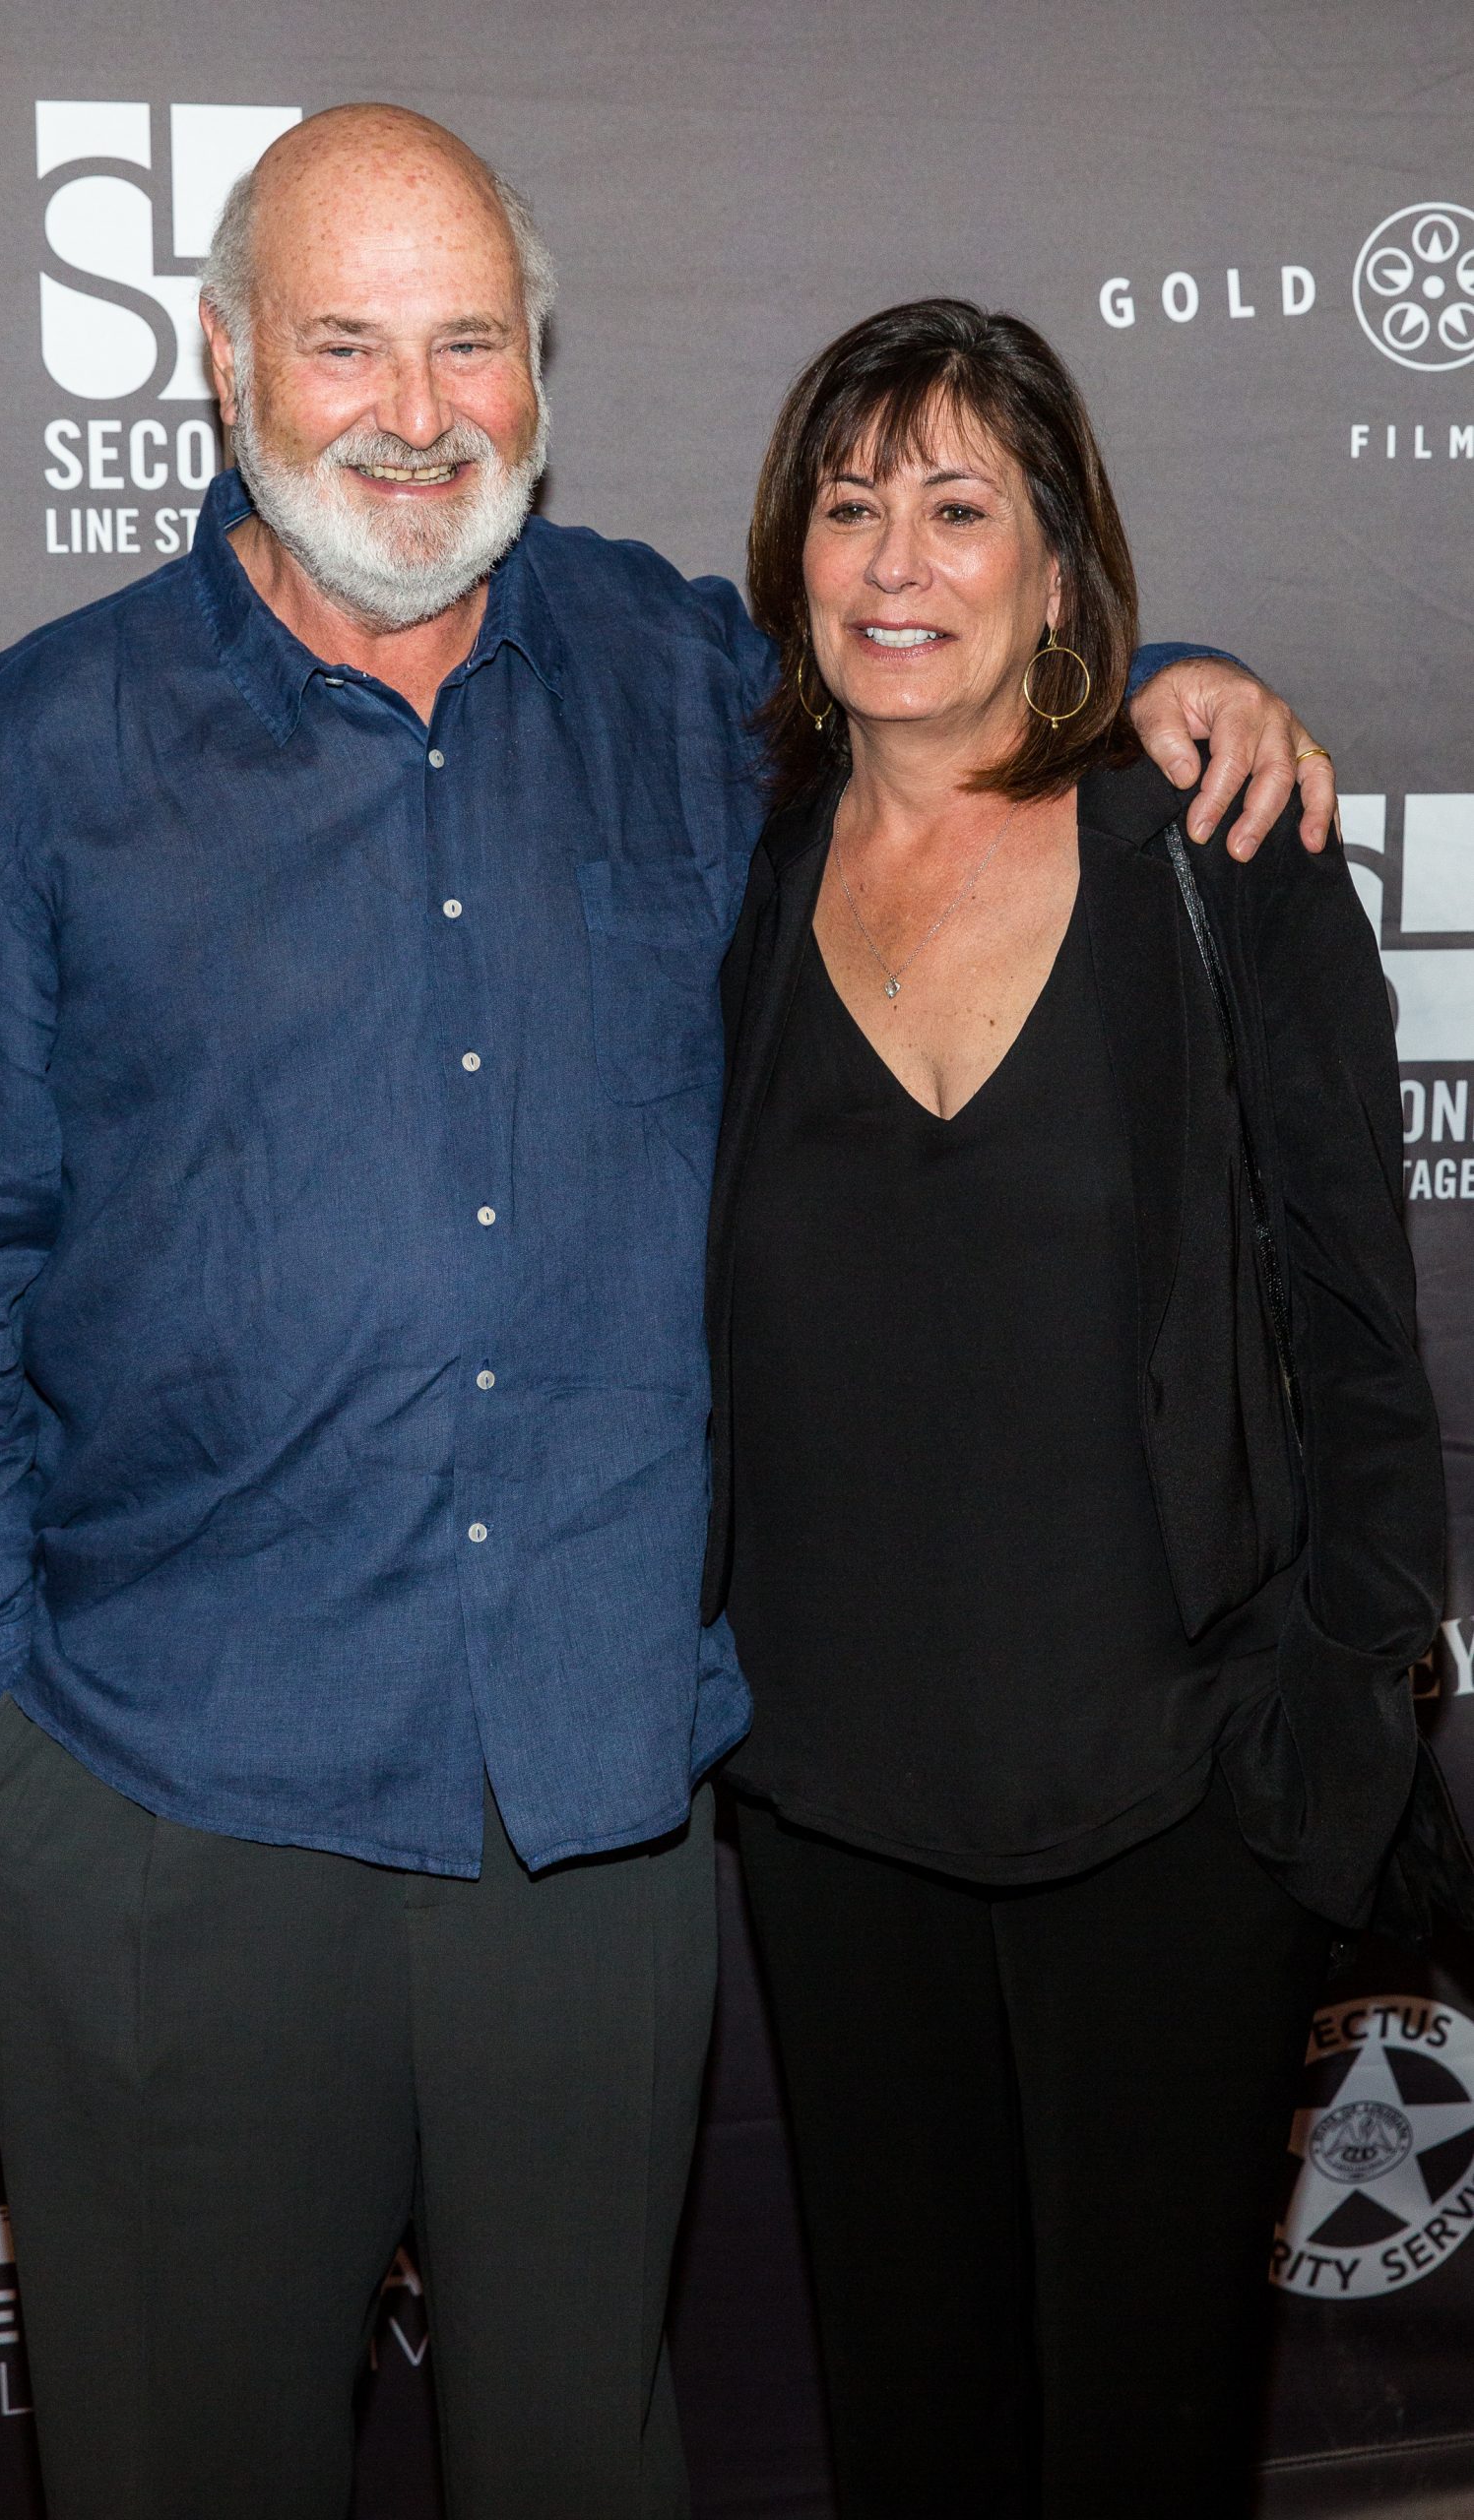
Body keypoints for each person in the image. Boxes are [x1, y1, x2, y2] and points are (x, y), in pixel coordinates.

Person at [0, 102, 1328, 2520]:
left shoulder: (673, 676)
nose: (416, 411)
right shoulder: (43, 745)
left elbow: (945, 688)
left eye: (472, 343)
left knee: (578, 2465)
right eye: (344, 342)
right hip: (181, 1805)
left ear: (540, 367)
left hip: (593, 1820)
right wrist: (21, 1745)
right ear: (220, 365)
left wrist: (1181, 679)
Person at [705, 296, 1446, 2520]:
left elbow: (1359, 1338)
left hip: (1170, 1818)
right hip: (835, 1820)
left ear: (1057, 566)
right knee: (913, 2435)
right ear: (789, 556)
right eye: (849, 509)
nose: (896, 561)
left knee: (1142, 2442)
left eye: (957, 506)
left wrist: (1311, 1764)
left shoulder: (1213, 851)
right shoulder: (729, 869)